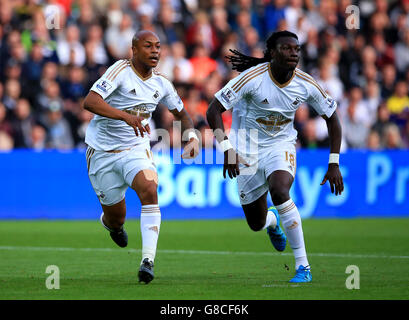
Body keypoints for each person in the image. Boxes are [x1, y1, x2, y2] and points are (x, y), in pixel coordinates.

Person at [206, 30, 344, 283]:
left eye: (297, 49)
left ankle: (303, 266)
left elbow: (332, 118)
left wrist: (333, 162)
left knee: (280, 190)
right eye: (287, 48)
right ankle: (271, 222)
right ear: (272, 52)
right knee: (255, 223)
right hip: (246, 150)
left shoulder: (306, 83)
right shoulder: (251, 79)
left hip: (280, 145)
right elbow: (213, 110)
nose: (294, 53)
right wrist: (227, 149)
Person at [82, 30, 199, 284]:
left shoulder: (162, 84)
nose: (155, 51)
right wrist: (126, 116)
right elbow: (90, 102)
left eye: (158, 46)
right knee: (117, 217)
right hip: (102, 152)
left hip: (136, 149)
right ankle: (112, 225)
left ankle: (148, 261)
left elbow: (182, 114)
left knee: (149, 188)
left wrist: (191, 137)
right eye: (148, 46)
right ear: (134, 50)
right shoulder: (119, 72)